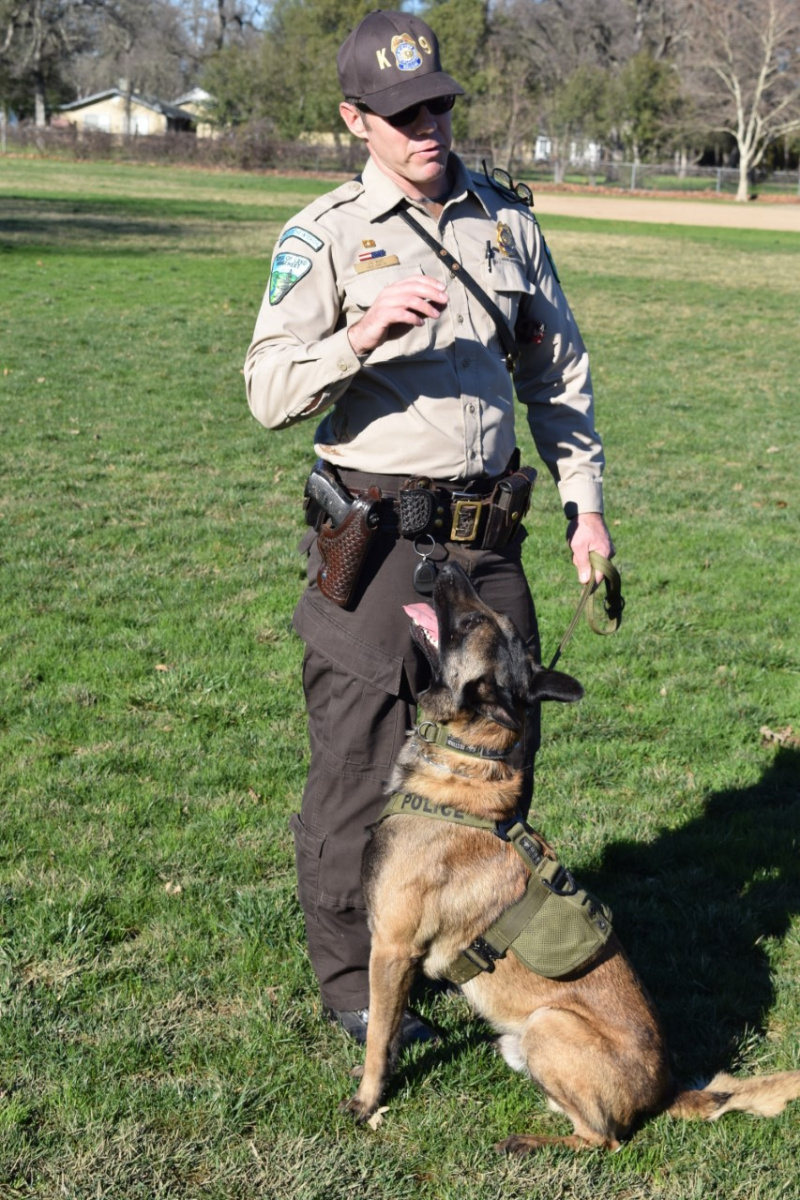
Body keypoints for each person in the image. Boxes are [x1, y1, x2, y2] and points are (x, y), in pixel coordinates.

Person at [245, 8, 614, 1046]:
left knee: (501, 760)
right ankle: (353, 983)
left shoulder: (503, 222)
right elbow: (268, 391)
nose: (426, 128)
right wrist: (358, 334)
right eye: (402, 114)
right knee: (356, 773)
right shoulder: (322, 235)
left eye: (438, 106)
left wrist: (585, 506)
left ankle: (461, 940)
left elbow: (558, 375)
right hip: (377, 542)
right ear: (353, 119)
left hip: (488, 538)